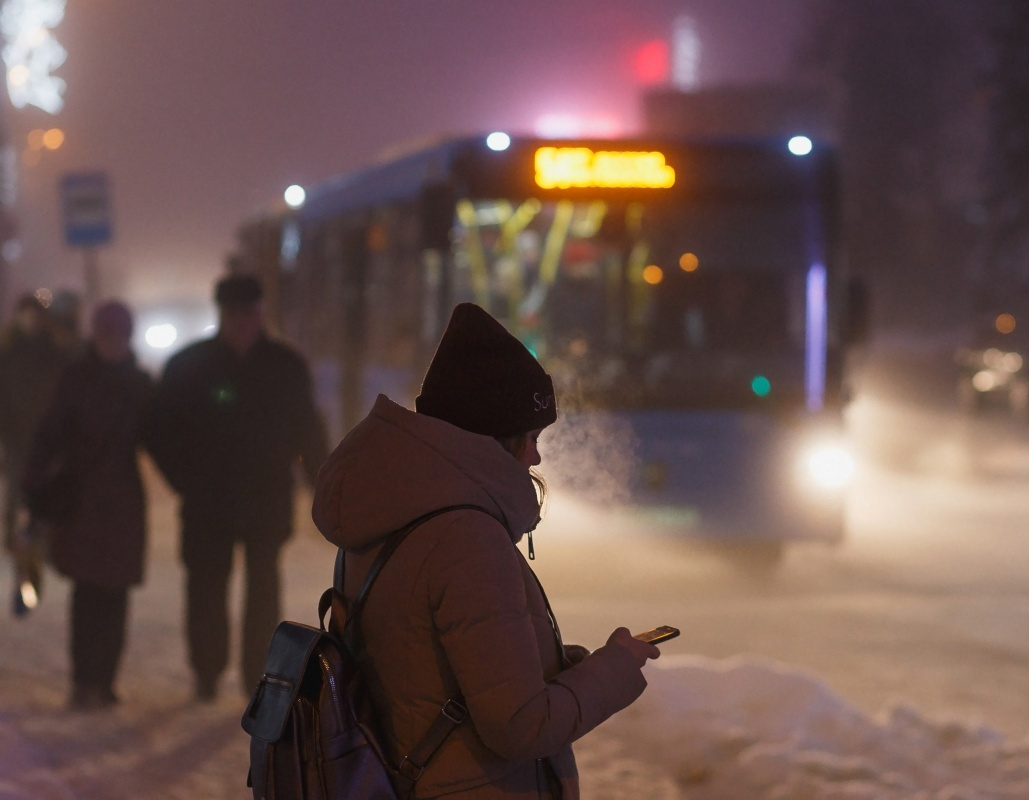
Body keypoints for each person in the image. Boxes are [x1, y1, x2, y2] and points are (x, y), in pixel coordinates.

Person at [312, 303, 658, 799]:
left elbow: (426, 670)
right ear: (493, 436)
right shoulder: (466, 539)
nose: (536, 456)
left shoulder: (390, 509)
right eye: (531, 437)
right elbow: (520, 725)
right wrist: (617, 668)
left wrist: (564, 667)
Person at [147, 274, 328, 702]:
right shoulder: (193, 366)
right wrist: (183, 479)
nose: (242, 322)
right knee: (207, 590)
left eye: (249, 313)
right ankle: (208, 672)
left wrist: (323, 481)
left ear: (260, 313)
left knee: (262, 594)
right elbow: (158, 429)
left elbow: (309, 432)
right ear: (222, 314)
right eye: (234, 313)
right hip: (209, 500)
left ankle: (257, 679)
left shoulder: (284, 365)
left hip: (263, 500)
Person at [23, 301, 153, 709]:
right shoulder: (77, 379)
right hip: (83, 500)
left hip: (120, 504)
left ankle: (104, 680)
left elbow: (164, 438)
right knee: (87, 594)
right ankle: (85, 680)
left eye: (118, 333)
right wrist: (33, 483)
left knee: (114, 596)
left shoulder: (140, 384)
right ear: (94, 335)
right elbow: (50, 433)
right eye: (105, 332)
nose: (111, 341)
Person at [0, 293, 71, 616]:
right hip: (16, 448)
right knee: (18, 517)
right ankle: (23, 581)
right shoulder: (8, 353)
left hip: (47, 452)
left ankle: (32, 576)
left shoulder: (56, 353)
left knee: (40, 518)